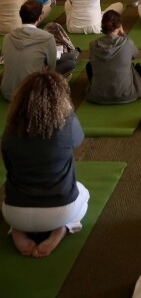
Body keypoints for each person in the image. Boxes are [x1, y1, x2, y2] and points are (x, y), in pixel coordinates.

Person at [1, 71, 89, 257]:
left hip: (14, 211)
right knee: (84, 194)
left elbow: (9, 168)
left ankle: (16, 230)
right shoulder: (68, 122)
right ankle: (62, 228)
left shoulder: (9, 131)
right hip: (60, 211)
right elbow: (78, 141)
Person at [1, 0, 78, 99]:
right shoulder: (47, 37)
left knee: (69, 58)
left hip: (8, 92)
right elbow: (51, 68)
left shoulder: (8, 36)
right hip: (33, 94)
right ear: (39, 17)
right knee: (70, 63)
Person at [85, 9, 141, 103]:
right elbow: (135, 55)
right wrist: (123, 34)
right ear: (119, 26)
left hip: (98, 96)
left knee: (89, 65)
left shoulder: (93, 44)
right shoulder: (127, 42)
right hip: (127, 95)